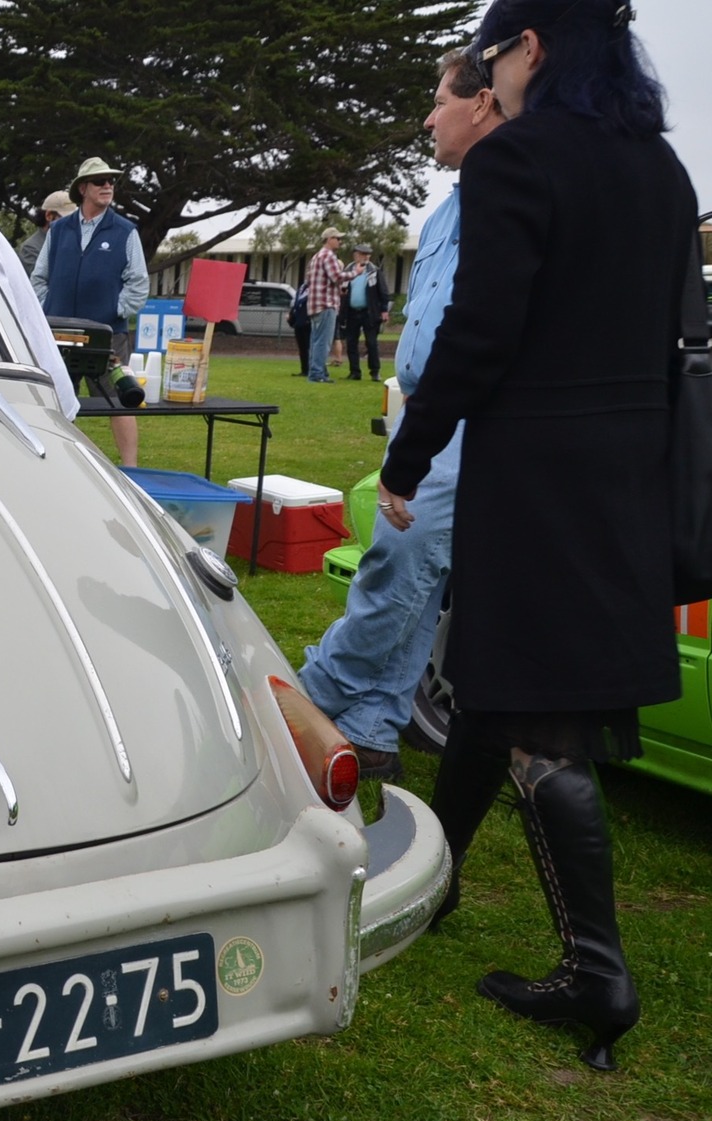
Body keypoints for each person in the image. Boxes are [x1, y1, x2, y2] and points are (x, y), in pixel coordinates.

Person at [378, 0, 693, 1072]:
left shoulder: (519, 161)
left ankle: (596, 973)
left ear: (532, 50)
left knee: (542, 728)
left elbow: (481, 332)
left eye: (490, 57)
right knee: (495, 674)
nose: (485, 78)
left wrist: (406, 459)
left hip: (539, 474)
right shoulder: (662, 169)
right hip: (626, 473)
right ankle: (438, 871)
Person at [299, 47, 508, 783]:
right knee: (418, 576)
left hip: (469, 418)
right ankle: (374, 728)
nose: (428, 117)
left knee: (399, 562)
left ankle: (314, 692)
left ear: (481, 103)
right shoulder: (453, 205)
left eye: (439, 100)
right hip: (428, 409)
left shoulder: (508, 198)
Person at [29, 157, 147, 466]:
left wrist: (112, 312)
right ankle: (56, 462)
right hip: (60, 334)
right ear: (83, 188)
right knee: (56, 401)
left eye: (110, 181)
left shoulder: (125, 231)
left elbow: (138, 283)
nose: (108, 185)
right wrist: (48, 314)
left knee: (119, 401)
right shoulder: (59, 230)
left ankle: (130, 470)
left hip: (108, 337)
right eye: (99, 181)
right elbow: (39, 278)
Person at [0, 203, 79, 415]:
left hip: (28, 393)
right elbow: (39, 279)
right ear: (49, 216)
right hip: (15, 384)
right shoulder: (38, 244)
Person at [303, 226, 360, 383]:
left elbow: (310, 280)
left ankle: (315, 371)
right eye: (338, 238)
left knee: (315, 341)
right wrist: (356, 272)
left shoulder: (316, 256)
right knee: (323, 342)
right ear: (329, 239)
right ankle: (317, 374)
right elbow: (336, 276)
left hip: (314, 304)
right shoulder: (328, 256)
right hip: (326, 304)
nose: (340, 241)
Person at [340, 244, 393, 381]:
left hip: (369, 313)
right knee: (351, 342)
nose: (365, 257)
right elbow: (343, 291)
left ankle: (375, 371)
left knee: (371, 342)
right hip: (351, 312)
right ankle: (354, 372)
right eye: (362, 254)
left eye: (367, 255)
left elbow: (383, 292)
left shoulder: (374, 271)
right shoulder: (348, 270)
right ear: (356, 255)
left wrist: (384, 310)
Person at [15, 190, 74, 274]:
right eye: (66, 218)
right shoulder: (30, 248)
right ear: (49, 216)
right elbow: (40, 281)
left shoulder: (70, 243)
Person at [288, 281, 312, 375]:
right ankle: (304, 370)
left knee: (309, 347)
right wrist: (292, 315)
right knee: (302, 348)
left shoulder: (314, 287)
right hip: (299, 321)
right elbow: (296, 304)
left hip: (308, 320)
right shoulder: (302, 287)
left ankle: (313, 369)